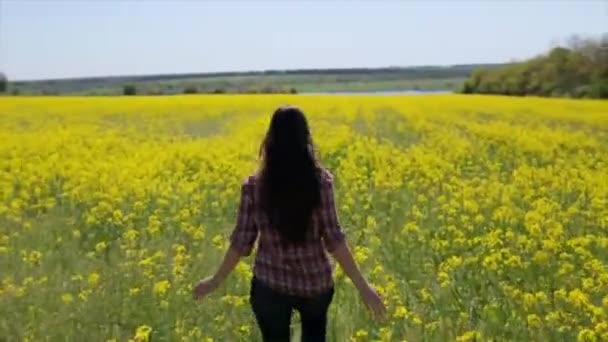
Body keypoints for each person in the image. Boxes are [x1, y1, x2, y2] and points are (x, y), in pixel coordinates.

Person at [193, 106, 386, 342]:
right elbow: (334, 239)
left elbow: (241, 243)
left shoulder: (254, 187)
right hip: (315, 285)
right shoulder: (320, 182)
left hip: (270, 285)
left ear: (270, 139)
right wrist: (364, 288)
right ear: (306, 138)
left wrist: (215, 281)